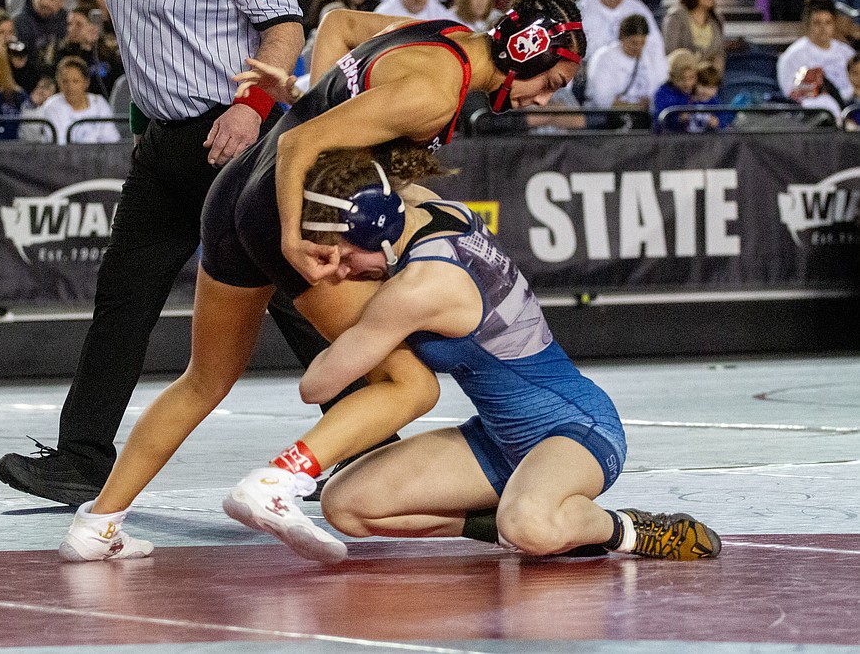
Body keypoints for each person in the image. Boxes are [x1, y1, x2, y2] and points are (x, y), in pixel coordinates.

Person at [55, 0, 588, 562]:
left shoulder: (439, 34)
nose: (545, 97)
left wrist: (314, 94)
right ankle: (280, 482)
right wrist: (287, 234)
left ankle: (96, 525)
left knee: (205, 379)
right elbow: (300, 142)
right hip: (284, 206)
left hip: (234, 190)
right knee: (409, 385)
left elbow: (338, 22)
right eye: (552, 82)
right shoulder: (436, 95)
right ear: (526, 53)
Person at [0, 0, 327, 508]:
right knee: (121, 299)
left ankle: (372, 442)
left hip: (234, 139)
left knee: (296, 299)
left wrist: (250, 107)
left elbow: (286, 28)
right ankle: (82, 459)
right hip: (165, 146)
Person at [281, 148, 721, 563]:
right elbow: (367, 171)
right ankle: (526, 523)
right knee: (346, 505)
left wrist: (312, 289)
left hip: (576, 428)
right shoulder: (437, 211)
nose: (341, 268)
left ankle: (626, 529)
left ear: (374, 233)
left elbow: (315, 386)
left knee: (528, 523)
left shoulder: (416, 291)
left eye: (343, 255)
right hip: (497, 439)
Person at [777, 0, 856, 96]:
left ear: (834, 24)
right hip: (815, 108)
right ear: (807, 24)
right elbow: (789, 93)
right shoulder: (792, 56)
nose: (823, 29)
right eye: (817, 23)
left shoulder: (848, 53)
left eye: (828, 23)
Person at [41, 55, 120, 144]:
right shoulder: (52, 106)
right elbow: (59, 144)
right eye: (65, 81)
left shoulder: (99, 103)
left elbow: (111, 140)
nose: (70, 87)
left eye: (75, 81)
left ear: (86, 82)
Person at [662, 0, 726, 72]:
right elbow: (670, 52)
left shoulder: (717, 19)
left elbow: (719, 54)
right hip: (681, 76)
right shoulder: (676, 16)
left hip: (707, 80)